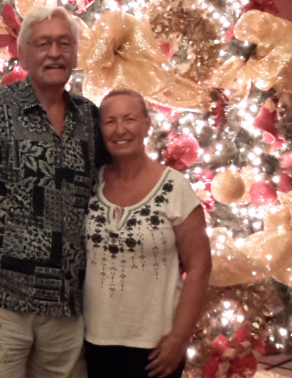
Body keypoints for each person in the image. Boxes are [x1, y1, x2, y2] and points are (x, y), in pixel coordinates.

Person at [0, 5, 109, 378]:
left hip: (66, 312)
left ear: (76, 53)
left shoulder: (91, 119)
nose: (55, 53)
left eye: (65, 43)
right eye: (43, 43)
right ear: (23, 52)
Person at [83, 89, 212, 378]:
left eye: (129, 119)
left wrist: (178, 339)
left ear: (146, 124)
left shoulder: (175, 188)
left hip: (154, 347)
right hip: (92, 341)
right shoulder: (89, 184)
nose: (120, 129)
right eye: (110, 121)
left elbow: (200, 267)